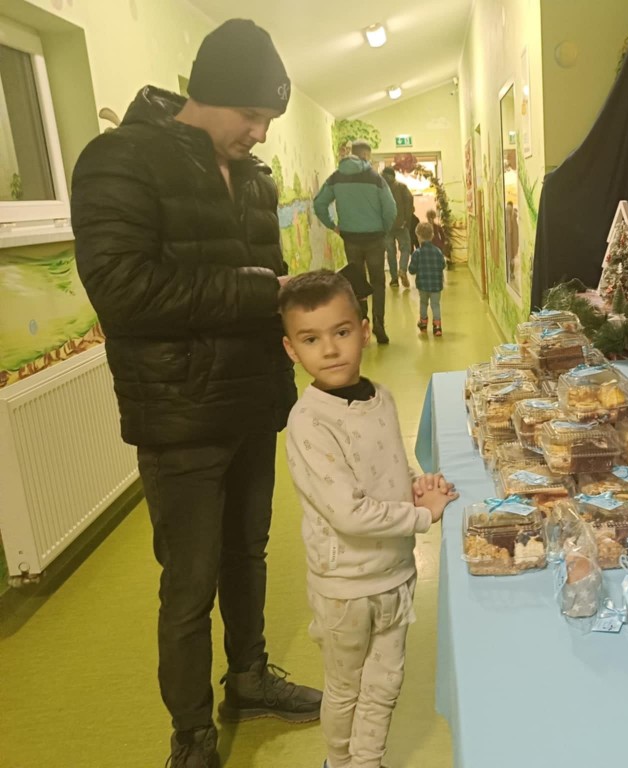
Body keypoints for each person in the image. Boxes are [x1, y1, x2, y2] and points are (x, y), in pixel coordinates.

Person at [69, 19, 321, 768]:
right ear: (207, 95)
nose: (260, 133)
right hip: (178, 416)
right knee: (188, 584)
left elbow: (266, 289)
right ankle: (192, 735)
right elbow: (123, 292)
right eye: (251, 115)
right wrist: (260, 291)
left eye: (268, 120)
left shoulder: (255, 178)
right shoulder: (119, 161)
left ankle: (248, 678)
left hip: (252, 404)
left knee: (248, 554)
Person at [278, 270, 459, 768]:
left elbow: (389, 465)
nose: (329, 350)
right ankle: (339, 762)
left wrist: (415, 485)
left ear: (362, 330)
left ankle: (367, 761)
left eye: (340, 332)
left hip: (394, 576)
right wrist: (420, 515)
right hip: (346, 589)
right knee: (346, 689)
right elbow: (348, 512)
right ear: (292, 349)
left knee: (384, 685)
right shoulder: (308, 423)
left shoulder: (381, 397)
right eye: (310, 339)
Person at [313, 140, 396, 344]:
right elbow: (391, 209)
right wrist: (384, 229)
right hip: (375, 237)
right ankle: (379, 324)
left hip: (350, 237)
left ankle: (361, 325)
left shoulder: (336, 177)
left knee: (357, 283)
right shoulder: (375, 178)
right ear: (365, 155)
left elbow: (319, 203)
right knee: (378, 282)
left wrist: (333, 226)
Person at [408, 221, 447, 337]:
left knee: (423, 303)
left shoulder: (417, 253)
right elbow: (443, 265)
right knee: (435, 305)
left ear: (418, 237)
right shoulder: (438, 251)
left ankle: (423, 324)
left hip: (423, 285)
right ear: (432, 235)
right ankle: (437, 327)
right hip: (436, 285)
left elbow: (411, 270)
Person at [381, 167, 414, 288]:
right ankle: (403, 269)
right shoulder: (401, 187)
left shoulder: (380, 189)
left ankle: (394, 279)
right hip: (401, 224)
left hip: (386, 226)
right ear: (393, 175)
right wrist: (407, 221)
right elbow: (409, 203)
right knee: (405, 248)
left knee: (390, 252)